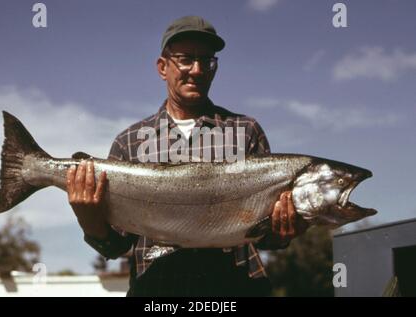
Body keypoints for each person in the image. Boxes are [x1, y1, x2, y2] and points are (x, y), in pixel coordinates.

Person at [66, 16, 308, 296]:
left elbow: (265, 238)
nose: (197, 70)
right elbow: (117, 246)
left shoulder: (246, 131)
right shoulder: (128, 142)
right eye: (185, 59)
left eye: (207, 61)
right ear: (162, 67)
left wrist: (284, 230)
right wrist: (86, 217)